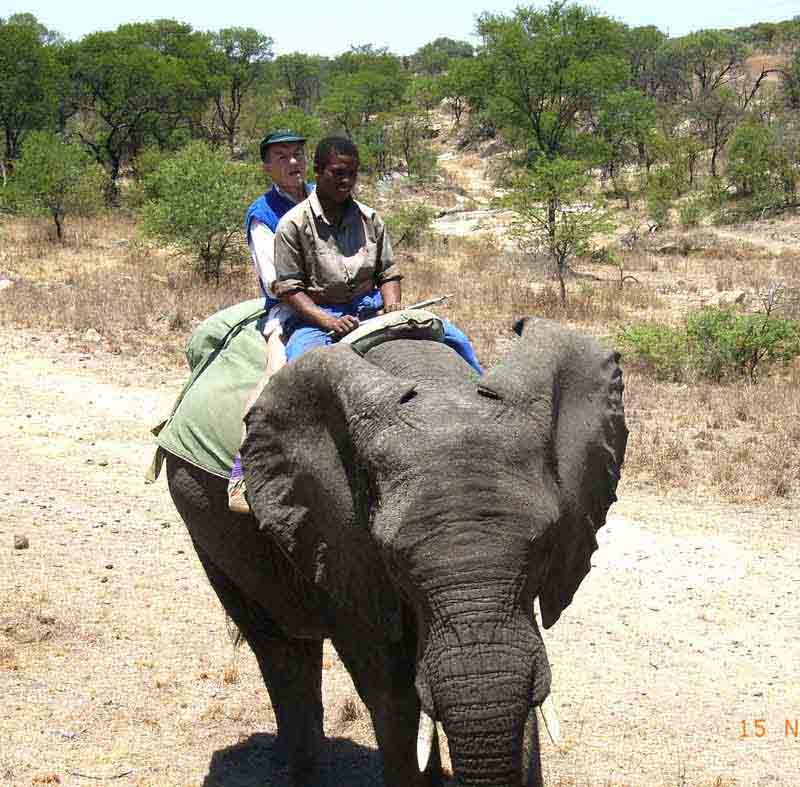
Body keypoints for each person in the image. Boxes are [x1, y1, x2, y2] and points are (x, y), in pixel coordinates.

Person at [273, 135, 483, 370]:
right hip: (319, 317)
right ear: (318, 171)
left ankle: (485, 390)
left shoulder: (370, 218)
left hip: (370, 307)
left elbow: (388, 273)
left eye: (352, 174)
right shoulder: (292, 224)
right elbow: (290, 290)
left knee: (457, 340)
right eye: (338, 173)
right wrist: (330, 321)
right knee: (303, 369)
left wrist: (392, 304)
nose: (346, 181)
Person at [227, 128, 313, 513]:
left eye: (297, 154)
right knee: (277, 376)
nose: (292, 162)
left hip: (350, 303)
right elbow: (275, 281)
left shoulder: (326, 197)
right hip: (291, 310)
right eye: (281, 157)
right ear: (267, 167)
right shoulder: (261, 215)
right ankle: (242, 469)